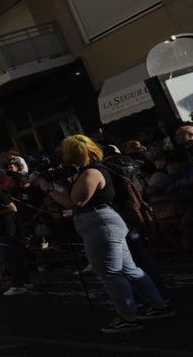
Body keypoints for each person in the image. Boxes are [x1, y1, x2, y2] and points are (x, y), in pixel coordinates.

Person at [31, 135, 175, 333]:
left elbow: (75, 202)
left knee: (109, 272)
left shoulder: (91, 172)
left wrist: (46, 187)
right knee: (129, 269)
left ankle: (128, 316)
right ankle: (158, 305)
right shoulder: (91, 170)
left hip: (99, 223)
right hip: (103, 222)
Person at [0, 175, 33, 295]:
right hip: (1, 231)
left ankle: (18, 285)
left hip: (6, 231)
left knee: (10, 259)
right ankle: (25, 282)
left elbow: (13, 208)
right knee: (13, 258)